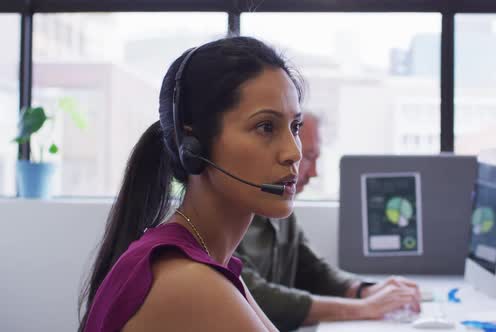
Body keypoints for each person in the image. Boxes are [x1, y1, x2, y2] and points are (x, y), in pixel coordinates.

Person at [78, 36, 306, 332]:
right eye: (265, 127)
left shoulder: (211, 265)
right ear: (193, 145)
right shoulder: (189, 281)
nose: (294, 152)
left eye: (295, 127)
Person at [236, 113, 422, 331]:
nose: (313, 173)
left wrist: (361, 290)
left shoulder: (279, 208)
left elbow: (312, 269)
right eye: (308, 157)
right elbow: (254, 294)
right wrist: (363, 309)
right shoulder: (227, 223)